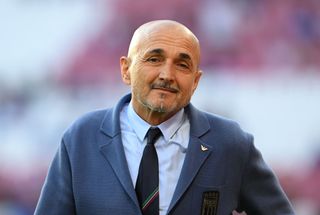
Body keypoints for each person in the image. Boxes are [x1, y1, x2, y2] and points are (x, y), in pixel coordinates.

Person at [35, 20, 295, 215]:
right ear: (126, 70)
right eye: (154, 59)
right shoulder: (81, 138)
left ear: (195, 81)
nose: (167, 75)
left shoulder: (231, 143)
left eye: (182, 64)